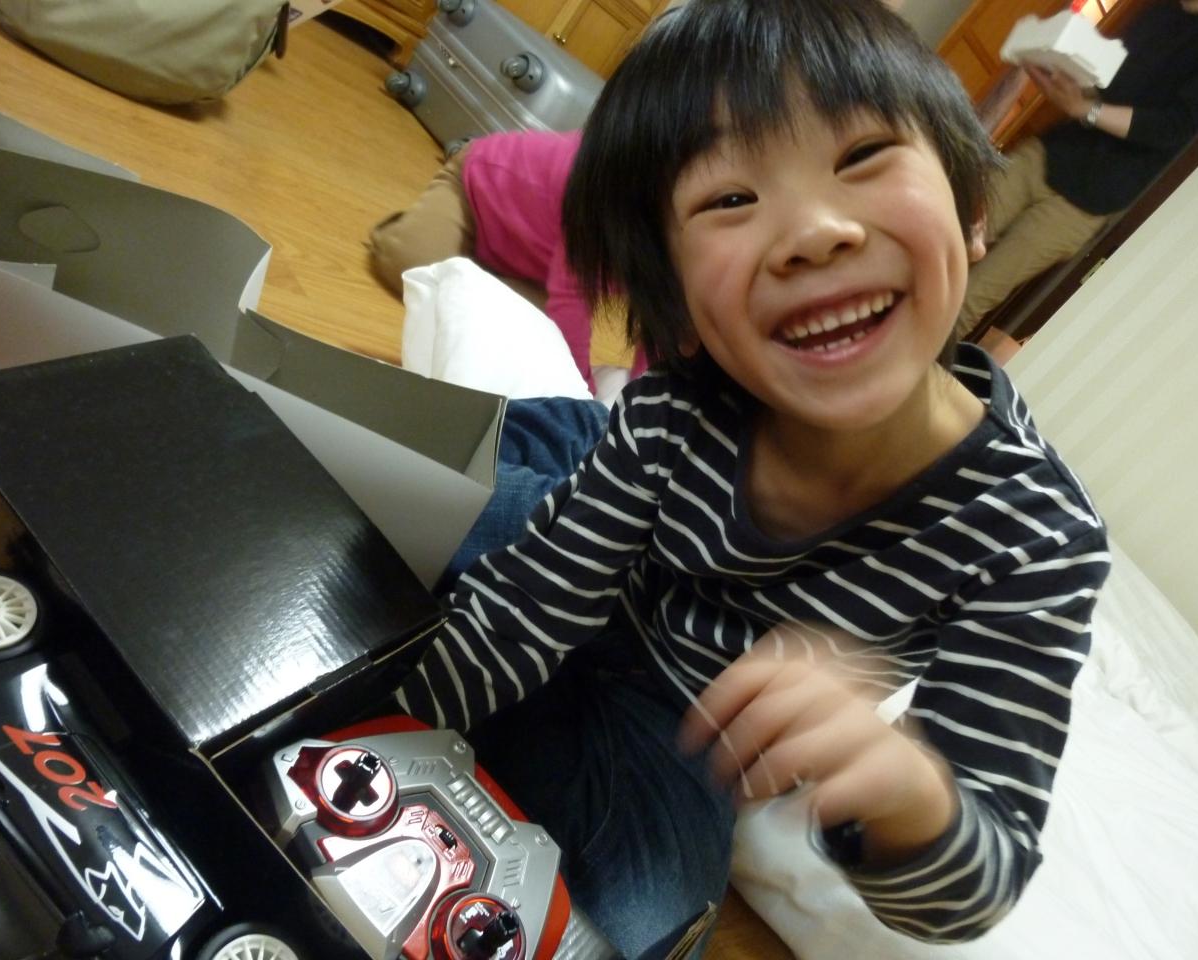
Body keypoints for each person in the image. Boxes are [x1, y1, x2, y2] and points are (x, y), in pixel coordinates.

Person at [388, 1, 1112, 957]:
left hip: (684, 719)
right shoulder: (679, 407)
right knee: (402, 496)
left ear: (973, 212)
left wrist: (908, 792)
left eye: (863, 156)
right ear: (678, 304)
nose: (814, 231)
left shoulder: (1037, 539)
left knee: (644, 919)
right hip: (601, 541)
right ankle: (537, 440)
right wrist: (382, 730)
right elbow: (526, 615)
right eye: (731, 198)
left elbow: (975, 881)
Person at [957, 0, 1198, 336]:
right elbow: (1111, 81)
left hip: (1085, 204)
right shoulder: (1161, 8)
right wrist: (1065, 76)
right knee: (948, 235)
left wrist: (1085, 110)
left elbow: (1173, 129)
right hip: (1049, 152)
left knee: (972, 299)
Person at [368, 129, 647, 396]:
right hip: (474, 195)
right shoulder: (608, 193)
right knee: (409, 261)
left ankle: (478, 271)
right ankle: (406, 232)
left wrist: (645, 394)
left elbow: (660, 337)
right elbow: (571, 302)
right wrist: (583, 389)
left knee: (526, 336)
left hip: (538, 268)